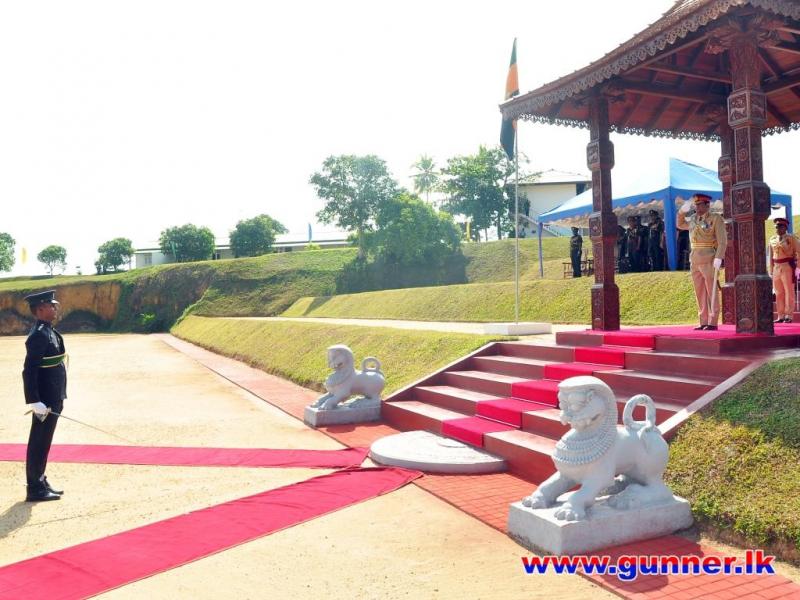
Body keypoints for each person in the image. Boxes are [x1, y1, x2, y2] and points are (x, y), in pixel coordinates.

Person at [22, 290, 67, 502]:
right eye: (51, 305)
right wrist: (34, 400)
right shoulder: (39, 335)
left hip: (53, 395)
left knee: (45, 440)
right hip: (45, 400)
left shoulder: (49, 331)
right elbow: (29, 370)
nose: (55, 308)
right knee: (39, 441)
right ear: (40, 309)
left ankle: (40, 480)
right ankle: (34, 487)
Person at [677, 194, 727, 330]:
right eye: (696, 205)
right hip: (694, 258)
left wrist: (719, 257)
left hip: (709, 257)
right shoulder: (693, 218)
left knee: (711, 290)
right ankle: (703, 320)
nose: (697, 208)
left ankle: (713, 321)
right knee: (699, 291)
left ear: (707, 205)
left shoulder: (715, 219)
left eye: (700, 205)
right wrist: (682, 211)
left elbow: (722, 240)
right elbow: (680, 224)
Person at [768, 217, 800, 323]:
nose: (777, 229)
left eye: (780, 227)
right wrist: (771, 270)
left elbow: (799, 252)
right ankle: (780, 315)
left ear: (785, 228)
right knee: (778, 292)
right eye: (776, 227)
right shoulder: (772, 239)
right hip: (776, 267)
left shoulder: (792, 238)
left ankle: (788, 315)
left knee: (789, 291)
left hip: (787, 266)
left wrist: (798, 267)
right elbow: (770, 256)